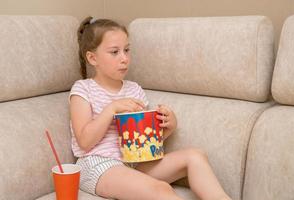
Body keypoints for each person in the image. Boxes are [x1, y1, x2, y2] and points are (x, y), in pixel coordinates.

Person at [70, 16, 232, 200]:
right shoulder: (83, 89)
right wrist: (111, 109)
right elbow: (84, 141)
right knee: (161, 190)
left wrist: (168, 128)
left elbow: (143, 143)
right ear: (92, 58)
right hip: (97, 166)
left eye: (127, 50)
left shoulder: (134, 90)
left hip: (132, 162)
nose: (124, 58)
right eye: (115, 52)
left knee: (195, 156)